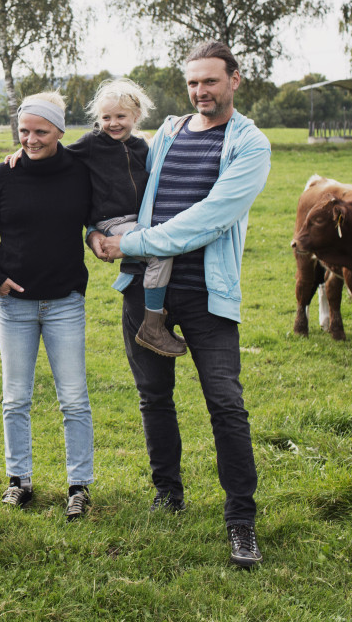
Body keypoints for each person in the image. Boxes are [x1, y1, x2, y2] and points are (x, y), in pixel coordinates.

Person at [91, 41, 271, 568]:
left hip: (207, 296)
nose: (201, 92)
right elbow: (111, 174)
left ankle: (241, 522)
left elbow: (212, 217)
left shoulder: (250, 144)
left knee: (226, 404)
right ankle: (168, 494)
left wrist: (136, 243)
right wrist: (98, 233)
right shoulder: (167, 130)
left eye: (211, 81)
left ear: (235, 80)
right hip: (143, 288)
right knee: (154, 398)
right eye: (193, 82)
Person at [0, 91, 96, 520]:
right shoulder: (1, 176)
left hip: (64, 303)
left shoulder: (81, 172)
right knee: (15, 397)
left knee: (74, 398)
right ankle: (18, 481)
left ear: (60, 131)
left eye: (40, 131)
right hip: (15, 307)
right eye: (23, 131)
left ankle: (79, 486)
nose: (30, 139)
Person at [69, 78, 183, 356]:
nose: (113, 123)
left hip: (139, 218)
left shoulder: (142, 146)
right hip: (112, 220)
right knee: (160, 250)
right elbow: (58, 156)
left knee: (165, 241)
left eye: (121, 116)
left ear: (136, 116)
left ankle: (140, 283)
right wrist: (23, 153)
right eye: (106, 117)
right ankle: (153, 326)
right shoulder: (91, 143)